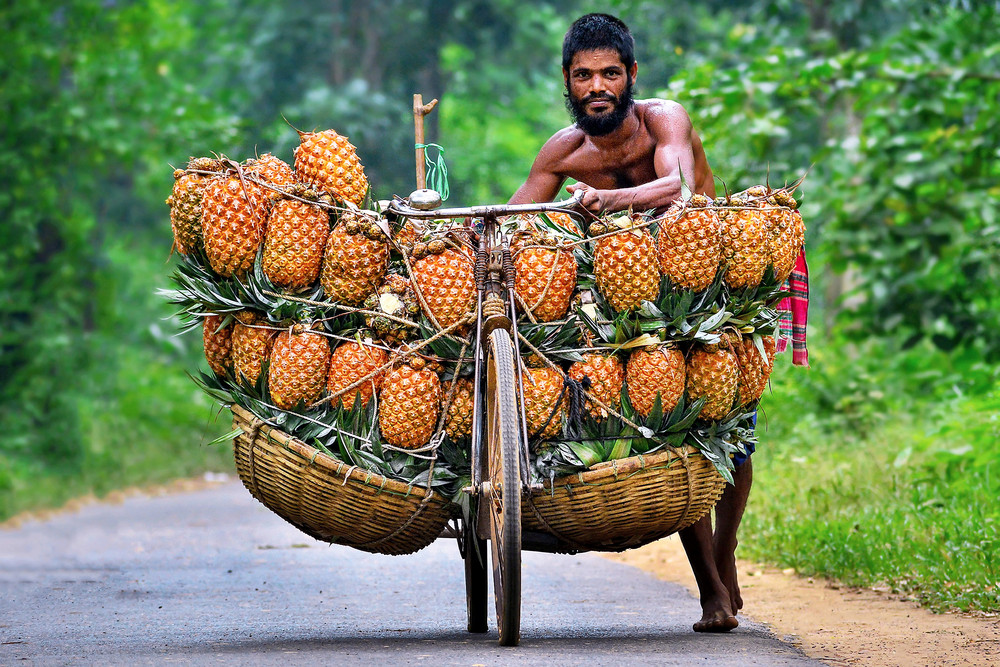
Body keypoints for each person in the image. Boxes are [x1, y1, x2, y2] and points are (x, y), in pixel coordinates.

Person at [508, 12, 749, 632]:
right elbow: (508, 219)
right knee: (670, 423)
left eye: (609, 73)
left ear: (631, 76)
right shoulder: (563, 153)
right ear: (567, 80)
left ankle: (725, 557)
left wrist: (607, 202)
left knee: (734, 433)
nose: (597, 86)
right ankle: (712, 592)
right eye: (583, 75)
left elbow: (681, 188)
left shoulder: (663, 121)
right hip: (623, 296)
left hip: (698, 285)